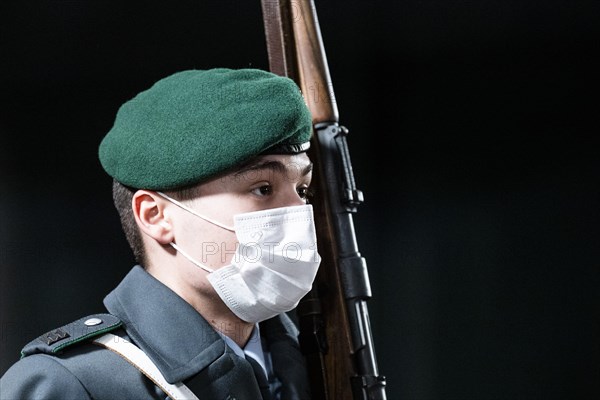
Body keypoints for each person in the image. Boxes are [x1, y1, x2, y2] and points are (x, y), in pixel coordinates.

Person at [1, 68, 321, 399]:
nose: (298, 212)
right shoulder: (69, 384)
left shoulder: (313, 368)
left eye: (303, 190)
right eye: (263, 188)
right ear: (156, 216)